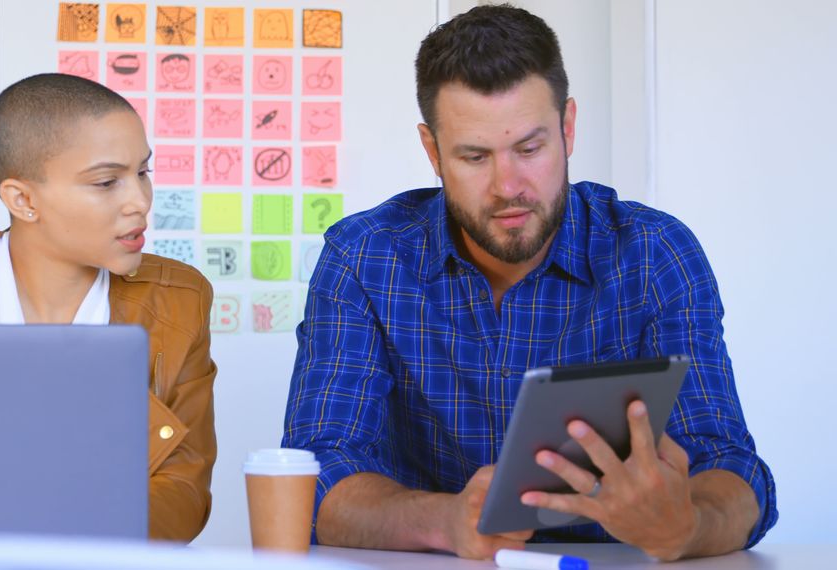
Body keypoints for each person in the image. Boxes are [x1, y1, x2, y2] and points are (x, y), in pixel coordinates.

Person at [282, 4, 776, 561]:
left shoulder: (654, 254)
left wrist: (687, 525)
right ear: (432, 151)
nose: (507, 186)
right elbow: (314, 476)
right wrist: (446, 520)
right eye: (474, 156)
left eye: (530, 148)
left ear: (568, 127)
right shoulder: (363, 258)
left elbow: (730, 470)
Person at [0, 73, 216, 542]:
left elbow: (184, 492)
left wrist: (57, 537)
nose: (140, 202)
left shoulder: (179, 299)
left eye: (143, 172)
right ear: (22, 199)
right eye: (107, 181)